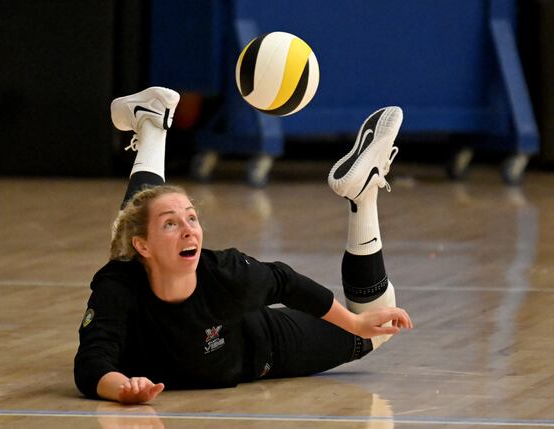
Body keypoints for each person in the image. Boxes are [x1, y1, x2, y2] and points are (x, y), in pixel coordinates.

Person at [74, 87, 413, 404]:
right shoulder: (118, 288)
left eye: (192, 218)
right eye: (173, 225)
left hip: (263, 347)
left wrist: (354, 325)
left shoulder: (224, 274)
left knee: (373, 329)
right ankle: (151, 123)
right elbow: (92, 364)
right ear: (144, 247)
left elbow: (284, 281)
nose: (189, 231)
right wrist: (122, 387)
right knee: (136, 226)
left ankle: (363, 197)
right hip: (140, 259)